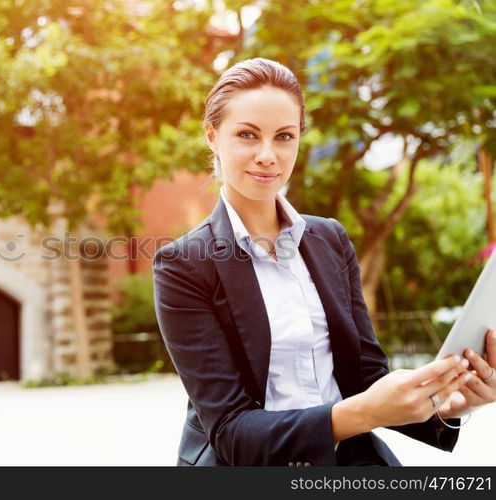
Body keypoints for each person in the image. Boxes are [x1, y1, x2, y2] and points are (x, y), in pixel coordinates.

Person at [152, 57, 496, 466]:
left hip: (348, 461)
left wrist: (446, 402)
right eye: (247, 134)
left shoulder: (329, 239)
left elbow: (366, 377)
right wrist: (365, 412)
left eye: (284, 136)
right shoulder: (183, 265)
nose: (268, 155)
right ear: (212, 136)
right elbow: (231, 432)